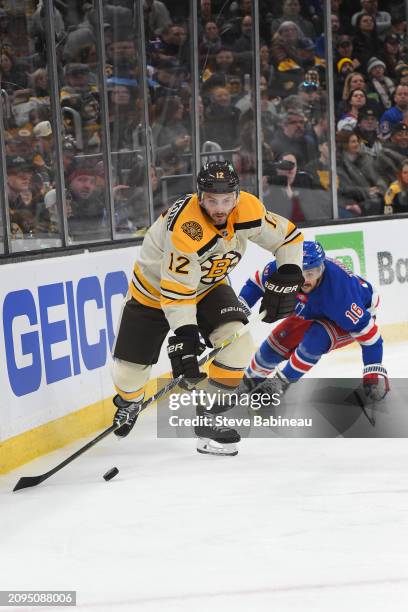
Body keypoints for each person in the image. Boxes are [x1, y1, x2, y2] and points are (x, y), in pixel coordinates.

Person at [111, 161, 304, 456]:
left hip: (209, 288)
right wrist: (186, 336)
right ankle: (128, 402)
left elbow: (288, 237)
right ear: (200, 196)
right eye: (212, 200)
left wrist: (289, 273)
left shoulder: (248, 209)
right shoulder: (187, 228)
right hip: (151, 294)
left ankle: (208, 417)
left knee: (238, 346)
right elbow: (177, 292)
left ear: (237, 196)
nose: (220, 207)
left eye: (227, 200)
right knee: (128, 376)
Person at [237, 241, 389, 405]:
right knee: (277, 342)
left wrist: (372, 376)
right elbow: (257, 282)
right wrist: (239, 310)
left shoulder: (341, 298)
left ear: (321, 269)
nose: (304, 280)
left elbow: (371, 338)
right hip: (315, 307)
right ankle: (247, 382)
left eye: (311, 273)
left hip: (346, 312)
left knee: (315, 339)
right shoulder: (283, 268)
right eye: (300, 273)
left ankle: (280, 384)